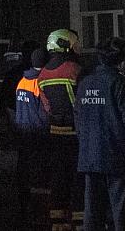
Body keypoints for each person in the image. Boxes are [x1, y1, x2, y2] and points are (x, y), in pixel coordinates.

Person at [76, 37, 125, 231]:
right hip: (119, 159)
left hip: (91, 157)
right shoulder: (120, 84)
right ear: (122, 60)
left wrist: (86, 146)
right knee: (121, 214)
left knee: (93, 212)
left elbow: (78, 120)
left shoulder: (84, 84)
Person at [37, 29, 84, 229]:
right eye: (75, 44)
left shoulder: (43, 75)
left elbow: (46, 106)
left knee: (58, 176)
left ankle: (57, 219)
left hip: (55, 132)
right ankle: (79, 218)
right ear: (65, 45)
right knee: (77, 177)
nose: (77, 48)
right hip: (76, 133)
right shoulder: (74, 69)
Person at [14, 49, 51, 229]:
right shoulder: (40, 82)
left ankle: (24, 209)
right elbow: (45, 112)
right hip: (38, 135)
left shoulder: (22, 81)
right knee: (40, 176)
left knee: (24, 172)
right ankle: (38, 214)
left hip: (24, 133)